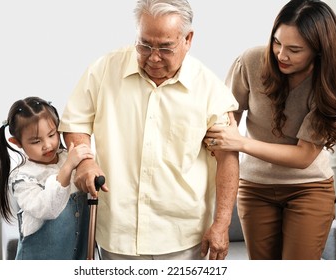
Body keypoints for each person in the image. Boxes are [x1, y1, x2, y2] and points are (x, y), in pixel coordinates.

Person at [58, 0, 239, 260]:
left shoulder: (209, 88)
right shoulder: (104, 69)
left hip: (182, 235)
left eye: (165, 47)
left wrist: (222, 224)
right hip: (117, 232)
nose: (153, 57)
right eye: (144, 44)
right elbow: (75, 122)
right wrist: (85, 161)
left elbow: (228, 158)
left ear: (188, 39)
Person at [204, 0, 336, 259]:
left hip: (308, 187)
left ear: (319, 51)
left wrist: (241, 143)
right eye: (277, 42)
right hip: (255, 187)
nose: (281, 55)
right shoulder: (250, 62)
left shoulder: (329, 86)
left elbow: (303, 157)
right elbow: (226, 122)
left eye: (295, 49)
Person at [0, 96, 94, 259]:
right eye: (36, 141)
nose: (47, 145)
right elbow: (47, 208)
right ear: (17, 142)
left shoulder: (68, 157)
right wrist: (68, 167)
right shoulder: (22, 178)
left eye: (51, 134)